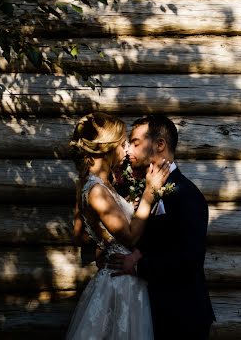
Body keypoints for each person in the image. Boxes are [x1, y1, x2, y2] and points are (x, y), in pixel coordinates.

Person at [108, 114, 216, 340]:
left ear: (159, 144)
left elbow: (190, 258)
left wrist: (138, 266)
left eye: (136, 143)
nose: (128, 150)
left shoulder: (187, 195)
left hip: (181, 315)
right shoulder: (146, 189)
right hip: (152, 312)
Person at [66, 111, 171, 340]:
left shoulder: (94, 184)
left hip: (120, 274)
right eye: (122, 144)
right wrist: (149, 193)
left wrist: (103, 245)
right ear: (108, 148)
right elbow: (131, 237)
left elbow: (79, 235)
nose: (126, 150)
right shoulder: (96, 190)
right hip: (120, 283)